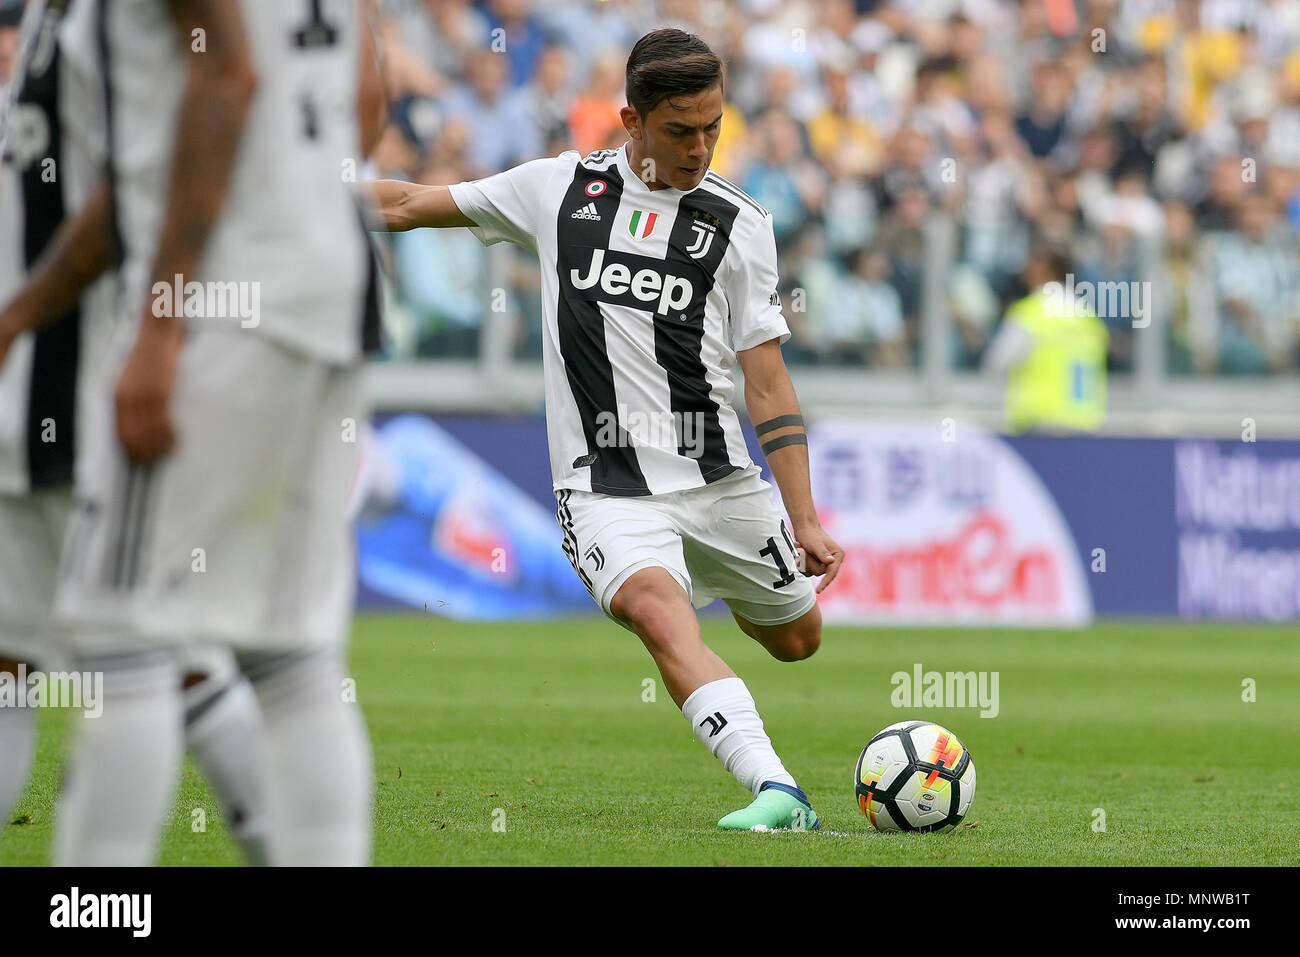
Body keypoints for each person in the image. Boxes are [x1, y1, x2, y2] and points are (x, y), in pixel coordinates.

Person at [373, 28, 844, 831]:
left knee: (798, 638)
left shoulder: (739, 225)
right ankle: (777, 790)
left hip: (720, 477)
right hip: (605, 488)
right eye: (680, 130)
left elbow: (766, 381)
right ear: (631, 119)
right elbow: (410, 203)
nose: (699, 149)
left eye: (713, 129)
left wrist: (802, 514)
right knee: (661, 614)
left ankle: (730, 584)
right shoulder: (559, 191)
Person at [0, 0, 383, 865]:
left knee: (120, 631)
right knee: (292, 655)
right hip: (335, 289)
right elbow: (367, 87)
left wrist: (164, 320)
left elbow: (227, 75)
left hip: (220, 303)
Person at [983, 244, 1108, 433]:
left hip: (1039, 423)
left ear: (1043, 268)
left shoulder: (1031, 313)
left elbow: (998, 363)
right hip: (1084, 424)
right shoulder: (1088, 317)